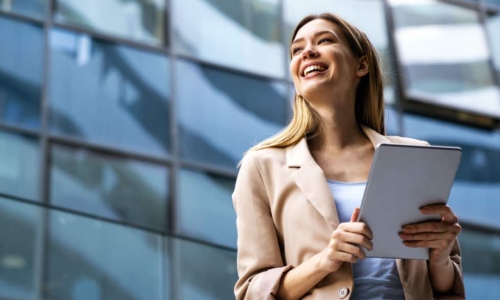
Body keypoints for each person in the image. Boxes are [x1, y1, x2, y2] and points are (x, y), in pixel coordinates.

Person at [232, 13, 465, 300]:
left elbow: (447, 290)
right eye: (296, 49)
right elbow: (252, 291)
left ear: (361, 65)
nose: (307, 52)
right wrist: (325, 261)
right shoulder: (263, 166)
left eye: (324, 40)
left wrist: (441, 257)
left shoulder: (414, 155)